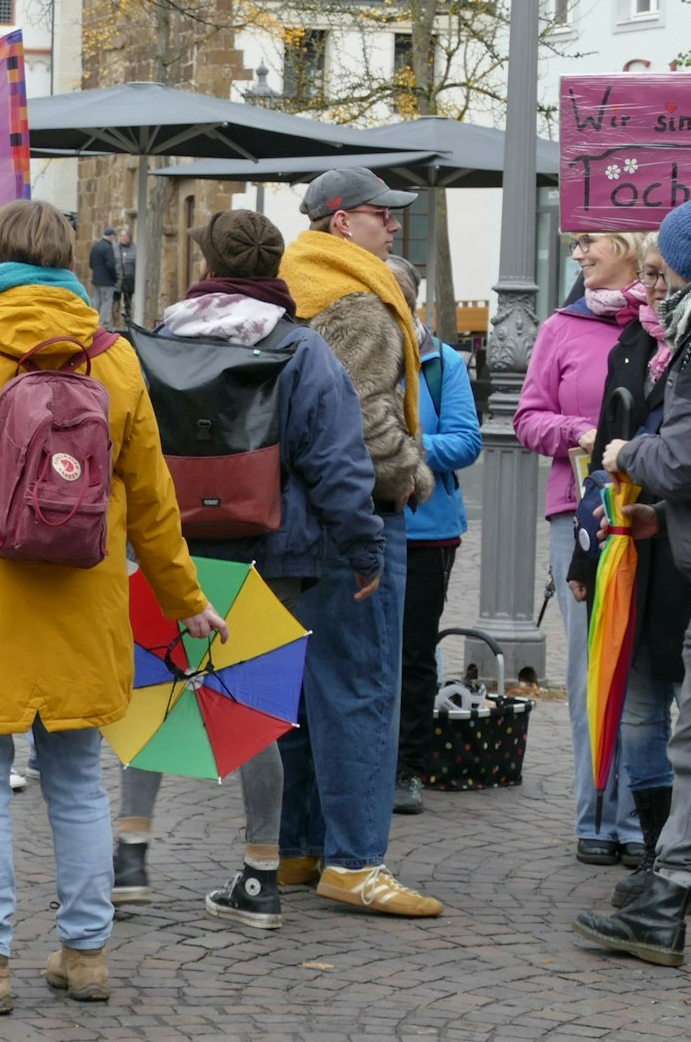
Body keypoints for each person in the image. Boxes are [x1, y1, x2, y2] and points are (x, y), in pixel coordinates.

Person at [0, 199, 225, 1014]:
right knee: (75, 781)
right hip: (84, 595)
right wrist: (183, 598)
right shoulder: (113, 360)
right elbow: (153, 500)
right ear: (72, 262)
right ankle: (85, 952)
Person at [113, 209, 384, 931]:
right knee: (255, 710)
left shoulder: (155, 342)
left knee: (156, 689)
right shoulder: (302, 348)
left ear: (205, 261)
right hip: (273, 551)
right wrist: (364, 547)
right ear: (275, 269)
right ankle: (261, 874)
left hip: (170, 546)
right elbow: (337, 461)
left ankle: (130, 857)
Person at [573, 197, 691, 972]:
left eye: (664, 261)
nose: (658, 276)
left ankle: (666, 896)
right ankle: (664, 899)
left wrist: (623, 455)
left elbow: (687, 457)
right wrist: (665, 520)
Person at [274, 167, 442, 916]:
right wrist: (415, 472)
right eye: (382, 214)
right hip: (358, 518)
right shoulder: (362, 304)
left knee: (305, 694)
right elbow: (367, 425)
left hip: (292, 518)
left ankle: (299, 848)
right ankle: (356, 861)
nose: (393, 226)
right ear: (342, 224)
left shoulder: (290, 291)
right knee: (363, 687)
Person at [517, 229, 650, 866]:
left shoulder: (666, 325)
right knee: (589, 669)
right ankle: (597, 810)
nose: (577, 254)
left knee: (647, 670)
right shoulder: (561, 328)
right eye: (572, 244)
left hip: (654, 515)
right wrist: (585, 432)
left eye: (590, 241)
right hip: (579, 516)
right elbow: (528, 418)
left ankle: (643, 812)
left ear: (633, 245)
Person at [388, 254, 481, 814]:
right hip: (364, 523)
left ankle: (409, 769)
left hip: (428, 530)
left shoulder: (442, 361)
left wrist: (402, 448)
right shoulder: (350, 352)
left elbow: (468, 442)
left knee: (413, 653)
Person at [87, 225, 119, 313]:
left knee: (96, 301)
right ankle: (104, 324)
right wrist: (115, 278)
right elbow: (111, 265)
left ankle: (94, 322)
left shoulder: (96, 246)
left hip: (96, 280)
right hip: (107, 282)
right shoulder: (108, 248)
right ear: (111, 236)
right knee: (106, 303)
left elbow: (91, 263)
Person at [115, 227, 136, 327]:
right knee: (115, 301)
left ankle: (127, 322)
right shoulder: (115, 248)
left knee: (128, 302)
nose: (123, 238)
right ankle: (115, 321)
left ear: (129, 237)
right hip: (117, 278)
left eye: (125, 236)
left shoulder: (135, 249)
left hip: (129, 278)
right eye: (121, 236)